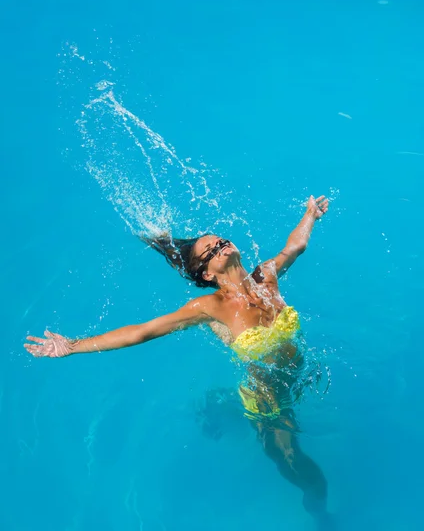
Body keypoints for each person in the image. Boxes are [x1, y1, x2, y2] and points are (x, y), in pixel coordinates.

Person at [25, 195, 331, 525]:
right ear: (207, 275)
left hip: (300, 376)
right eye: (211, 252)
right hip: (268, 400)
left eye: (220, 241)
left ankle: (219, 405)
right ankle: (321, 515)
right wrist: (74, 345)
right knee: (295, 464)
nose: (221, 247)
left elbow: (294, 248)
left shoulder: (266, 277)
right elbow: (143, 331)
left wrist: (310, 216)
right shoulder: (210, 307)